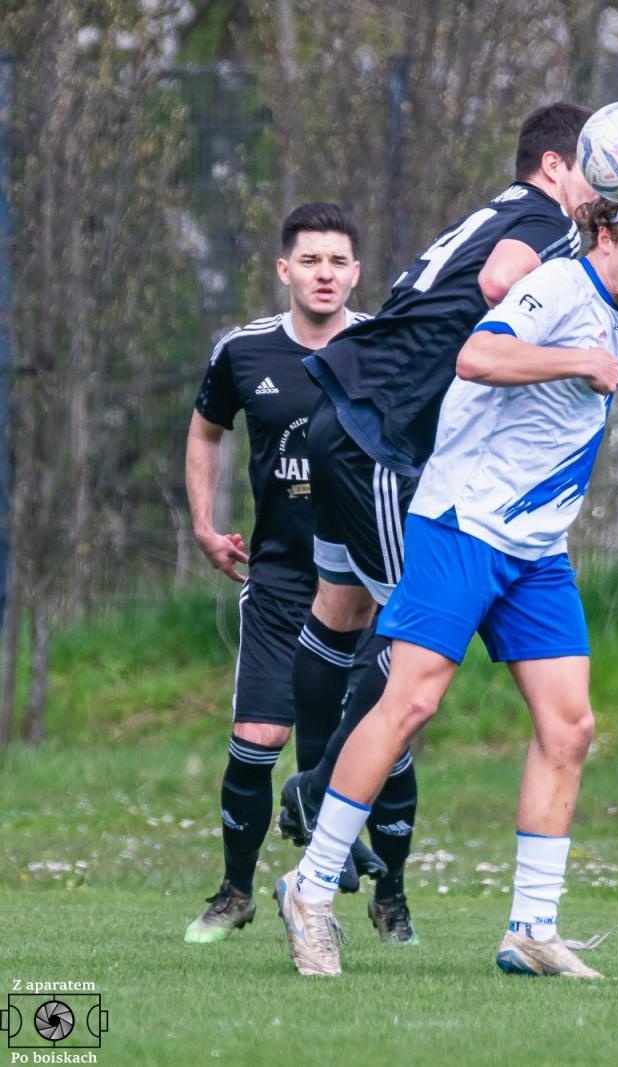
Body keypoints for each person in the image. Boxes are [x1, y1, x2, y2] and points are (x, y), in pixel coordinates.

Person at [274, 169, 618, 978]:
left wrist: (588, 356)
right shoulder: (559, 286)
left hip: (535, 551)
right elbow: (477, 356)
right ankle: (309, 889)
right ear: (605, 235)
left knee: (570, 726)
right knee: (409, 700)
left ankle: (530, 928)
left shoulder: (611, 313)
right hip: (462, 525)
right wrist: (576, 360)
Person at [275, 103, 596, 944]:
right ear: (558, 166)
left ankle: (321, 792)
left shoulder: (502, 205)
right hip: (379, 437)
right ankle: (318, 801)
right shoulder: (541, 220)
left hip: (347, 414)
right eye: (595, 169)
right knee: (411, 659)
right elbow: (496, 284)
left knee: (341, 610)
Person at [184, 203, 378, 942]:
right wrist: (204, 525)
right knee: (258, 735)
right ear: (285, 269)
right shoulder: (244, 351)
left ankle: (374, 892)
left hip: (362, 583)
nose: (324, 273)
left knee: (365, 743)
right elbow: (205, 430)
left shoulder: (382, 346)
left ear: (355, 273)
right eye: (311, 260)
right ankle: (234, 891)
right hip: (279, 579)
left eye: (338, 261)